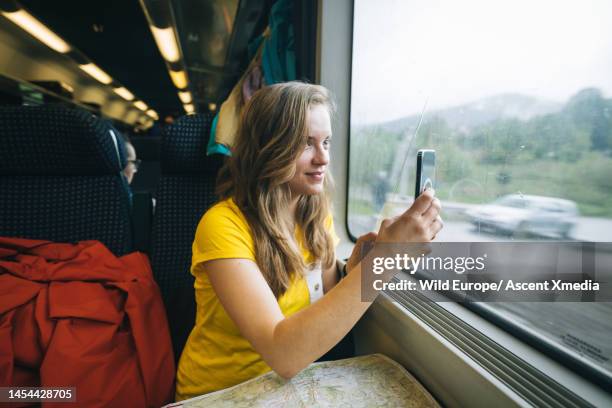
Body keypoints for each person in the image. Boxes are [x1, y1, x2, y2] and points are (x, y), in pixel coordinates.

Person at [175, 82, 442, 400]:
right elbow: (283, 353)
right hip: (221, 392)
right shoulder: (221, 225)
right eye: (306, 144)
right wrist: (386, 259)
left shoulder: (315, 213)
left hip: (284, 386)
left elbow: (327, 295)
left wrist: (358, 265)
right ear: (268, 148)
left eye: (326, 142)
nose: (323, 158)